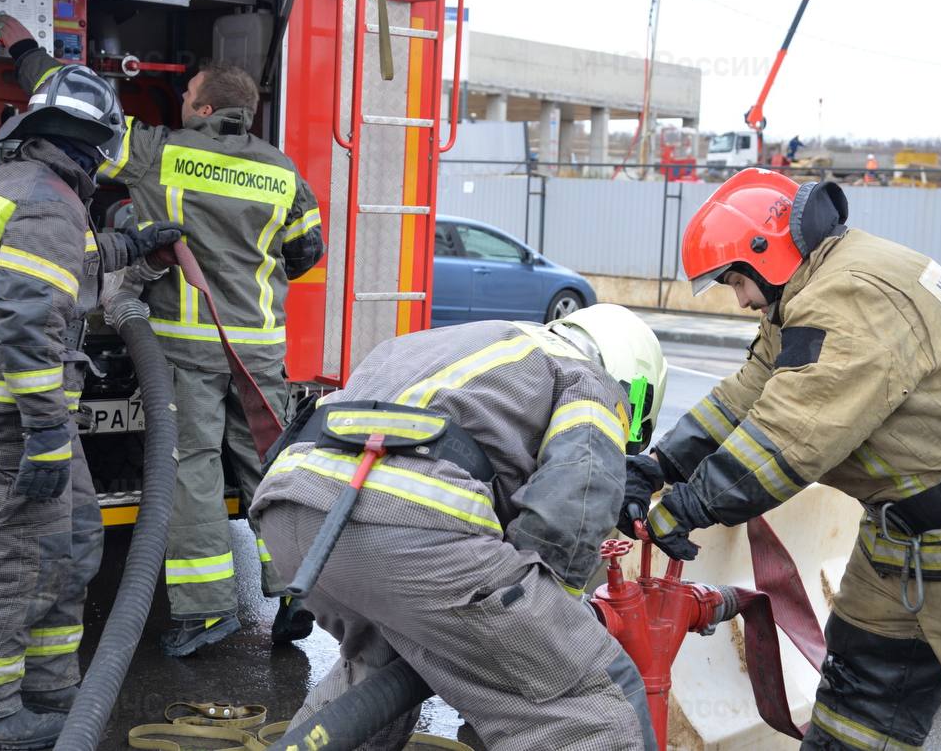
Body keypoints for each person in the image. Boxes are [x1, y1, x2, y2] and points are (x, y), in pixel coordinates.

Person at [625, 167, 941, 750]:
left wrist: (685, 508)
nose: (739, 299)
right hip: (906, 537)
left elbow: (792, 436)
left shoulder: (852, 295)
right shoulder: (811, 295)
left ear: (768, 253)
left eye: (737, 280)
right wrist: (659, 468)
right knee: (859, 706)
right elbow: (747, 396)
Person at [0, 15, 325, 656]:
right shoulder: (285, 172)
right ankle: (296, 593)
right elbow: (304, 251)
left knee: (192, 468)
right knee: (271, 466)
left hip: (187, 345)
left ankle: (205, 613)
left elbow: (75, 117)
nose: (179, 105)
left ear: (203, 107)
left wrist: (23, 48)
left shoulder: (160, 152)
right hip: (259, 349)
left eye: (185, 98)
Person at [250, 304, 669, 751]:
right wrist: (550, 612)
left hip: (292, 509)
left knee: (375, 678)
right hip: (404, 524)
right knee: (589, 700)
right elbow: (578, 495)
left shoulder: (476, 344)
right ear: (633, 384)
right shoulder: (588, 378)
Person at [0, 65, 182, 749]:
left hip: (18, 407)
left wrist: (134, 245)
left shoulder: (24, 186)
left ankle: (47, 689)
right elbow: (29, 317)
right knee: (15, 556)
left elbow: (62, 261)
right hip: (15, 413)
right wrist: (45, 431)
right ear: (92, 142)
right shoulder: (47, 201)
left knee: (70, 544)